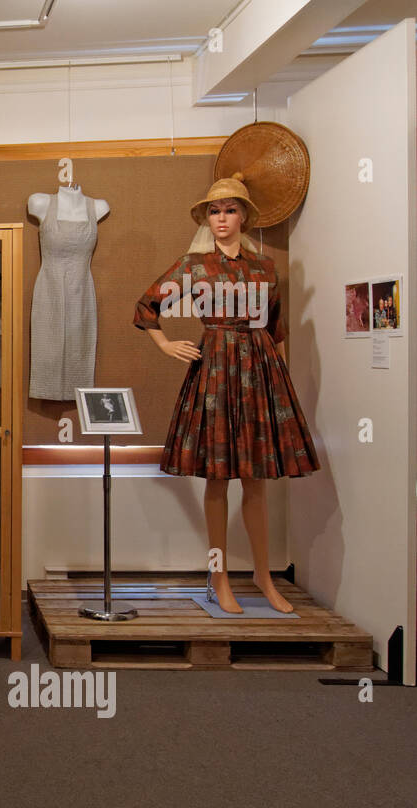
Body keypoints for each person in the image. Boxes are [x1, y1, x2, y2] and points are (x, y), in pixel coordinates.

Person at [133, 174, 319, 614]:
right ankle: (218, 576)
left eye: (230, 210)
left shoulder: (265, 268)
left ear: (244, 217)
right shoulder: (194, 264)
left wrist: (282, 387)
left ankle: (262, 574)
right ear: (207, 218)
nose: (222, 219)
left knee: (255, 480)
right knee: (217, 478)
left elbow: (276, 330)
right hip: (215, 368)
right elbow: (146, 307)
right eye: (215, 211)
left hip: (260, 371)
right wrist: (164, 343)